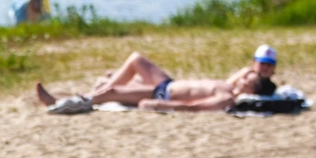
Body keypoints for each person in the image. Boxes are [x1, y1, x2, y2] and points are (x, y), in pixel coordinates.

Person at [35, 49, 277, 113]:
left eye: (249, 78)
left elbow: (192, 107)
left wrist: (160, 106)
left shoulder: (227, 98)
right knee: (136, 60)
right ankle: (97, 90)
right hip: (167, 84)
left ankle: (62, 102)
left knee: (113, 90)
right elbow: (242, 75)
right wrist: (249, 71)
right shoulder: (231, 87)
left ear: (253, 87)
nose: (244, 76)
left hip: (162, 95)